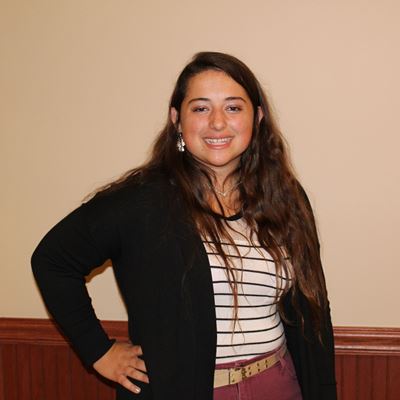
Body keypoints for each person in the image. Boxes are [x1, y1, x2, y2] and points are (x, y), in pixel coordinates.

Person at [31, 52, 337, 400]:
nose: (218, 122)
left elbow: (313, 310)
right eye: (201, 108)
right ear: (177, 119)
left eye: (233, 107)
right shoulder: (141, 201)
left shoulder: (287, 199)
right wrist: (98, 352)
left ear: (258, 117)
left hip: (278, 383)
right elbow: (52, 261)